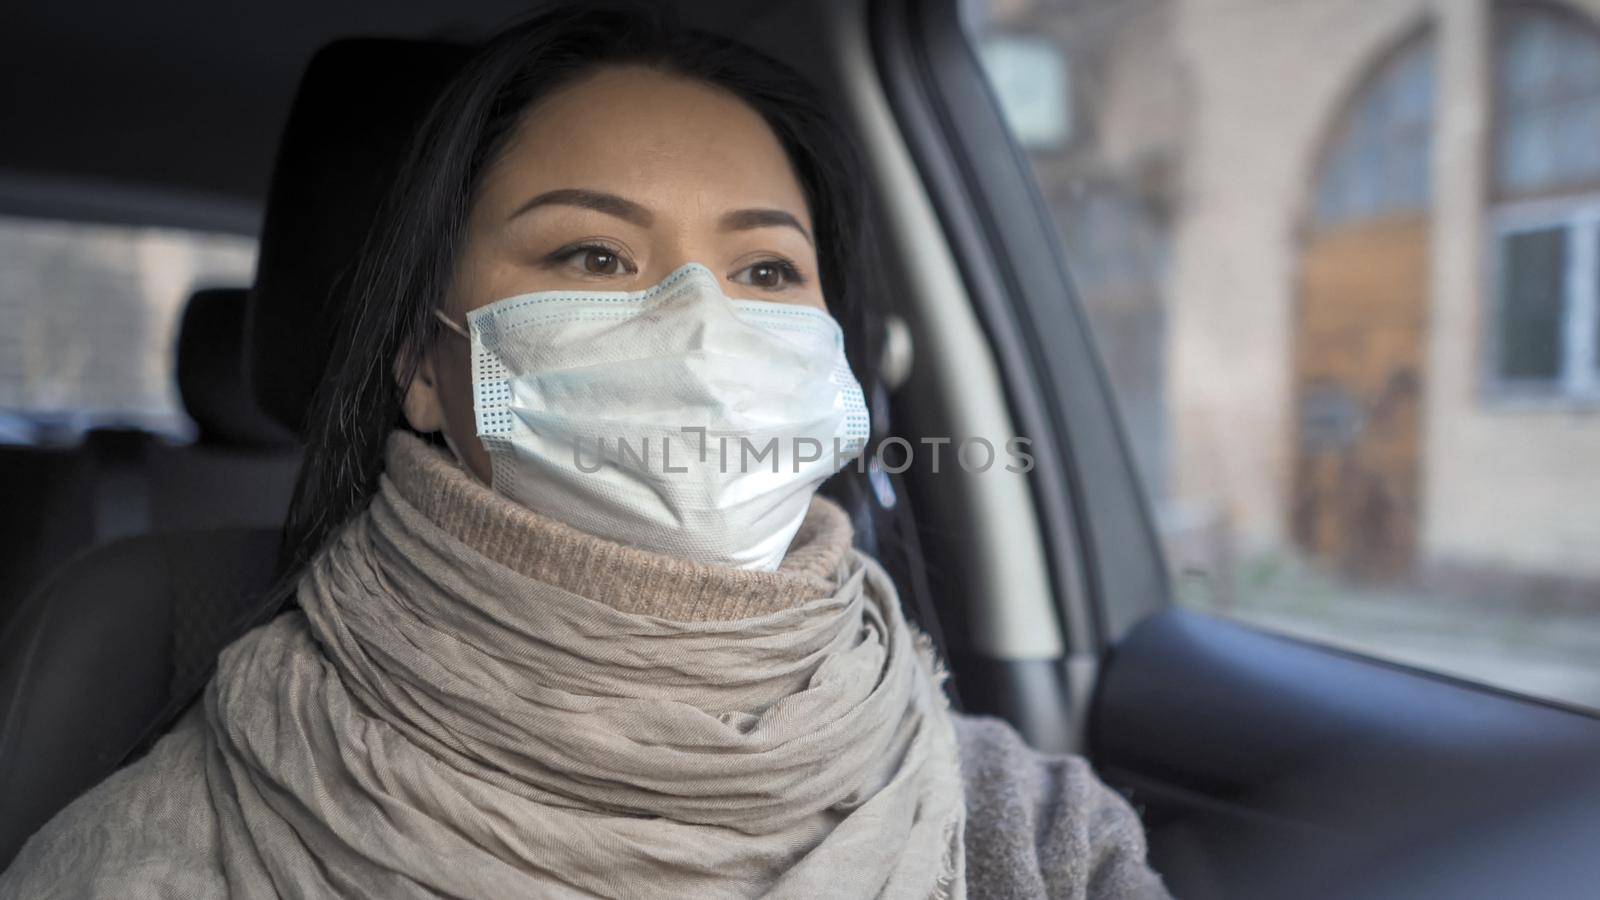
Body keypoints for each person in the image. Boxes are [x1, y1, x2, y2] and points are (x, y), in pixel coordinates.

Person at [0, 5, 1170, 898]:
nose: (704, 334)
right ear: (423, 365)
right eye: (593, 258)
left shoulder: (1031, 827)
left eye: (765, 272)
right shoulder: (162, 851)